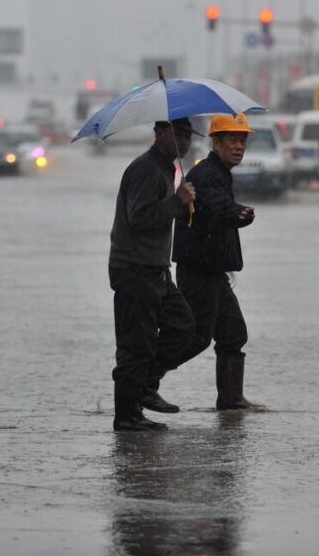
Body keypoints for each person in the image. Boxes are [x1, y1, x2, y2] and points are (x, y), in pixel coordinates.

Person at [166, 113, 266, 411]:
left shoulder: (219, 172)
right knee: (196, 337)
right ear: (217, 143)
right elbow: (215, 206)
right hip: (198, 271)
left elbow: (214, 212)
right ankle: (143, 379)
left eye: (243, 141)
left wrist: (236, 215)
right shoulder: (208, 174)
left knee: (233, 333)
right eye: (233, 140)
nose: (239, 147)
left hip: (211, 270)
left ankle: (231, 400)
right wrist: (237, 212)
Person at [109, 118, 197, 432]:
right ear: (159, 133)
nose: (185, 142)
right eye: (179, 134)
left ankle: (146, 385)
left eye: (188, 136)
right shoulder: (146, 168)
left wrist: (182, 205)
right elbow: (140, 216)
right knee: (136, 344)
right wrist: (178, 201)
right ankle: (127, 416)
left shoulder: (166, 169)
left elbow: (161, 214)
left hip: (156, 270)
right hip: (135, 269)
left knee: (183, 326)